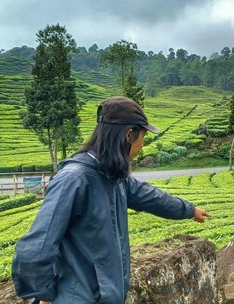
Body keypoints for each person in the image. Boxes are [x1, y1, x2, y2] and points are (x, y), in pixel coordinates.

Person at [12, 96, 210, 304]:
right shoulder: (74, 179)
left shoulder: (112, 176)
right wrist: (45, 295)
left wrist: (189, 210)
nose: (142, 144)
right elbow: (35, 249)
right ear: (129, 135)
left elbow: (151, 196)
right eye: (142, 136)